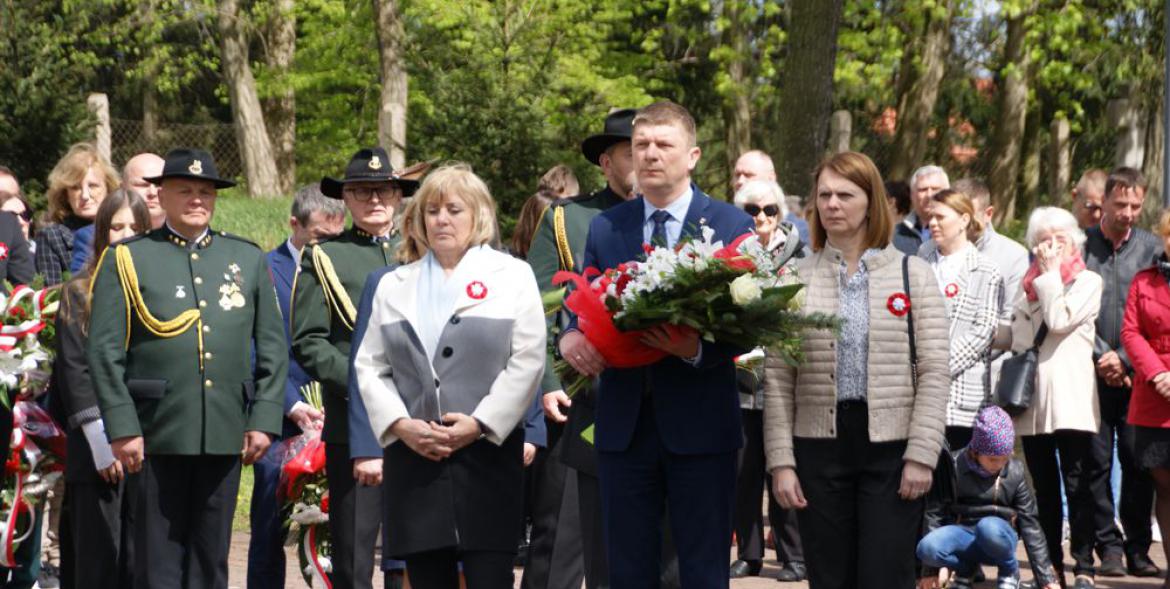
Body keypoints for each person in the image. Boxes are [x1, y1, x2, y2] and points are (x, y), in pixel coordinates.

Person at [557, 101, 754, 588]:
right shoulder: (607, 226)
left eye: (662, 144)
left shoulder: (730, 225)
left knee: (703, 571)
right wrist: (570, 336)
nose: (649, 155)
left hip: (702, 427)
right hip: (624, 428)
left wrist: (693, 349)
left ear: (692, 155)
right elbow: (583, 297)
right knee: (626, 571)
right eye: (640, 145)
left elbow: (751, 324)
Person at [87, 148, 288, 588]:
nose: (197, 199)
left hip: (224, 429)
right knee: (155, 562)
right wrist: (122, 426)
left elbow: (272, 348)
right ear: (161, 195)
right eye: (185, 191)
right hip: (154, 432)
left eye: (205, 191)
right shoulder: (129, 259)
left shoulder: (247, 259)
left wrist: (264, 420)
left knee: (211, 559)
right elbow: (103, 352)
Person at [351, 163, 545, 587]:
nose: (441, 219)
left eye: (454, 209)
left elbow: (528, 359)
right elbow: (370, 365)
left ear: (478, 216)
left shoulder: (512, 275)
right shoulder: (393, 284)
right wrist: (401, 426)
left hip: (488, 459)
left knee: (490, 577)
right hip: (415, 460)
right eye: (432, 210)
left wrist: (480, 423)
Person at [765, 151, 949, 589]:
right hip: (818, 448)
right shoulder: (795, 277)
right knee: (829, 577)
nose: (831, 204)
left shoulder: (913, 274)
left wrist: (922, 454)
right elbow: (776, 377)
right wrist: (781, 463)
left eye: (845, 194)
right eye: (824, 195)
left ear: (871, 202)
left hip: (892, 449)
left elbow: (935, 370)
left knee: (885, 575)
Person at [291, 146, 417, 589]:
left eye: (383, 190)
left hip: (422, 418)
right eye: (362, 191)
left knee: (416, 547)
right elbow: (309, 342)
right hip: (356, 420)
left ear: (399, 196)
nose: (375, 200)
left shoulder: (420, 251)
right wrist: (366, 382)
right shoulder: (325, 257)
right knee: (354, 551)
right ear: (345, 198)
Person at [525, 108, 637, 589]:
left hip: (656, 397)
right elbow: (535, 308)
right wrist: (550, 384)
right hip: (580, 400)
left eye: (655, 147)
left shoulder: (683, 220)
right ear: (606, 163)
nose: (647, 158)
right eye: (632, 152)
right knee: (562, 545)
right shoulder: (568, 218)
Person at [52, 189, 151, 589]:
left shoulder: (156, 290)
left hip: (146, 441)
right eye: (116, 227)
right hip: (97, 449)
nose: (126, 235)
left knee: (139, 554)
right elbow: (75, 370)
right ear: (100, 233)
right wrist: (99, 439)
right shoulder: (78, 292)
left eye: (135, 227)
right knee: (97, 555)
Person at [999, 207, 1102, 589]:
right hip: (1033, 402)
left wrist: (1049, 275)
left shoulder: (1087, 281)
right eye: (1045, 239)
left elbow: (1059, 320)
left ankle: (1084, 566)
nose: (1052, 246)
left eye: (1060, 238)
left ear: (1074, 240)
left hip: (1070, 398)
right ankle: (1050, 568)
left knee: (1078, 483)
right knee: (1042, 488)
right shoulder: (1028, 285)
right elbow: (1017, 336)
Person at [247, 184, 344, 589]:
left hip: (337, 412)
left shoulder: (345, 265)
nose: (328, 247)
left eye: (336, 239)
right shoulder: (264, 270)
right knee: (270, 525)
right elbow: (252, 344)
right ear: (294, 225)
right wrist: (289, 403)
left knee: (338, 526)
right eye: (320, 238)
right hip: (281, 419)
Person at [1082, 167, 1162, 580]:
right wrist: (1103, 356)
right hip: (1090, 373)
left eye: (1135, 205)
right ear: (1104, 202)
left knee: (1137, 462)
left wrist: (1125, 359)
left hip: (1137, 378)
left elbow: (1154, 317)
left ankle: (1137, 548)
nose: (1128, 212)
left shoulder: (1152, 248)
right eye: (1120, 204)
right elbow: (1074, 310)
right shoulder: (1082, 246)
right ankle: (1106, 546)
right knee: (1095, 464)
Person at [728, 179, 805, 581]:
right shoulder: (732, 254)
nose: (761, 217)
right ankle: (750, 553)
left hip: (782, 374)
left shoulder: (801, 253)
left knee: (783, 465)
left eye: (769, 210)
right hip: (742, 376)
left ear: (780, 213)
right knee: (744, 470)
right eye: (752, 210)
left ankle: (794, 555)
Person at [917, 406, 1060, 589]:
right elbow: (934, 513)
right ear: (976, 451)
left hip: (999, 536)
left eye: (1004, 458)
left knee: (988, 527)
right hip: (965, 535)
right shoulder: (953, 466)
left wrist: (1047, 579)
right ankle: (965, 570)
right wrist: (930, 571)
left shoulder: (1016, 471)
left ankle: (1009, 570)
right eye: (992, 459)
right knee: (927, 547)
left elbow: (1030, 525)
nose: (999, 464)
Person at [917, 189, 1004, 448]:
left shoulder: (987, 270)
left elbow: (983, 332)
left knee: (957, 478)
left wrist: (935, 366)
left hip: (961, 396)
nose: (932, 223)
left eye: (940, 217)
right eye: (930, 217)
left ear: (964, 220)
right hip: (919, 395)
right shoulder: (919, 262)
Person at [1121, 209, 1170, 588]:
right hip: (1154, 398)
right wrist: (1157, 373)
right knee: (1165, 487)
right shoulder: (1143, 281)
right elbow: (1131, 333)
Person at [37, 143, 118, 285]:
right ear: (65, 194)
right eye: (75, 188)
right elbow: (50, 297)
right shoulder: (52, 236)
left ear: (108, 188)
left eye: (93, 186)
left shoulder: (124, 227)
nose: (85, 195)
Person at [72, 153, 166, 273]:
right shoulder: (90, 236)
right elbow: (83, 285)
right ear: (122, 187)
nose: (152, 192)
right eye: (142, 185)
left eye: (159, 184)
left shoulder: (180, 234)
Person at [732, 150, 809, 244]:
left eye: (748, 175)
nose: (740, 181)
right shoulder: (726, 229)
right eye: (737, 175)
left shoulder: (800, 235)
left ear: (771, 178)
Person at [893, 164, 948, 255]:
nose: (929, 195)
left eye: (935, 189)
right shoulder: (895, 235)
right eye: (923, 190)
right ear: (912, 195)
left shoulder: (958, 232)